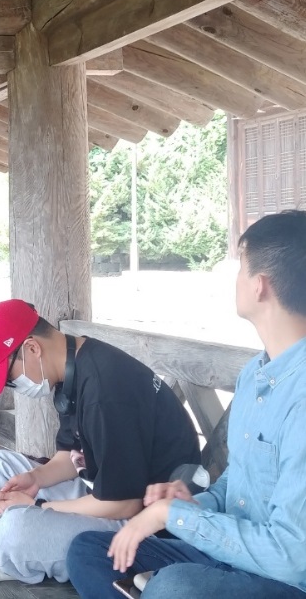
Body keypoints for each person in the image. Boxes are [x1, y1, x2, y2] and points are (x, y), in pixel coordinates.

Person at [66, 209, 306, 599]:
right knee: (89, 551)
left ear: (260, 286)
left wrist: (174, 517)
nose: (236, 279)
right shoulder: (254, 374)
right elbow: (237, 485)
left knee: (175, 587)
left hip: (284, 581)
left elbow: (292, 557)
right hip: (227, 559)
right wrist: (193, 503)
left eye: (240, 267)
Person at [0, 299, 201, 586]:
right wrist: (35, 478)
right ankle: (0, 550)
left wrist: (39, 506)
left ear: (32, 348)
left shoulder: (106, 394)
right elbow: (70, 455)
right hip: (101, 490)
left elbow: (123, 504)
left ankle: (6, 553)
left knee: (18, 527)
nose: (14, 387)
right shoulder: (74, 364)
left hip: (143, 520)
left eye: (9, 379)